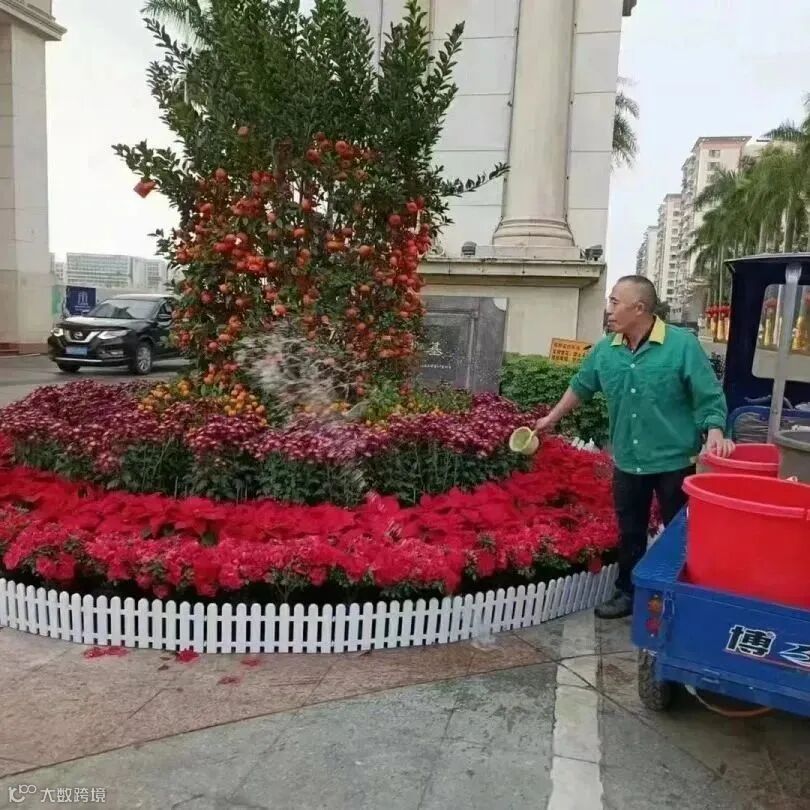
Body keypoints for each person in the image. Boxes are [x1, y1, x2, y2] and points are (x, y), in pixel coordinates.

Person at [535, 275, 734, 619]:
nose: (609, 309)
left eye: (615, 302)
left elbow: (707, 393)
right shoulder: (605, 350)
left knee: (680, 533)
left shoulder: (681, 345)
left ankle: (680, 598)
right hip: (628, 459)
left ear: (639, 308)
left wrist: (714, 429)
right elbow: (581, 386)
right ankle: (627, 592)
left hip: (674, 460)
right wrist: (551, 419)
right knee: (630, 531)